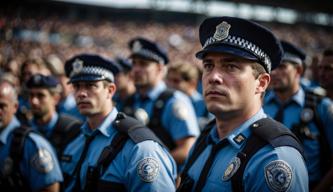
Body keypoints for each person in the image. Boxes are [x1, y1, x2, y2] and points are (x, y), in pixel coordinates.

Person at [177, 17, 308, 191]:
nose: (213, 77)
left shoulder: (273, 157)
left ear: (261, 83)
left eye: (230, 67)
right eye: (208, 65)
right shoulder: (206, 138)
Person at [61, 54, 177, 192]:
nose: (81, 93)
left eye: (90, 85)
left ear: (110, 90)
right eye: (76, 86)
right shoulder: (75, 141)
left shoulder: (139, 148)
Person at [264, 40, 333, 191]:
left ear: (299, 71)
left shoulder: (321, 107)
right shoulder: (259, 105)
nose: (274, 73)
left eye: (282, 67)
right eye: (272, 67)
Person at [0, 78, 63, 191]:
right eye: (31, 95)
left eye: (2, 106)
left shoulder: (32, 144)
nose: (34, 101)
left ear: (15, 107)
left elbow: (49, 188)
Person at [26, 74, 82, 157]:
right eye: (31, 95)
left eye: (40, 95)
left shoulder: (72, 129)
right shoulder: (25, 129)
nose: (34, 101)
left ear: (55, 99)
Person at [166, 61, 212, 130]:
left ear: (192, 83)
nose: (170, 85)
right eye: (169, 80)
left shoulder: (207, 105)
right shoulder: (166, 101)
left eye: (176, 81)